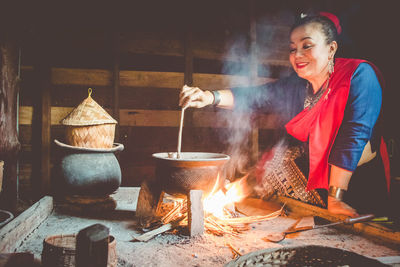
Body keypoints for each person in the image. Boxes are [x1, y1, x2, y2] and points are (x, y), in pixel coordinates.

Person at [179, 12, 391, 217]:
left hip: (357, 185)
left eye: (307, 46)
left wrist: (335, 197)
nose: (297, 55)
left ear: (331, 48)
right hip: (320, 181)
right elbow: (257, 97)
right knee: (273, 163)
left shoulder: (359, 75)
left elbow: (354, 136)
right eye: (293, 49)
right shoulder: (298, 86)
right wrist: (209, 97)